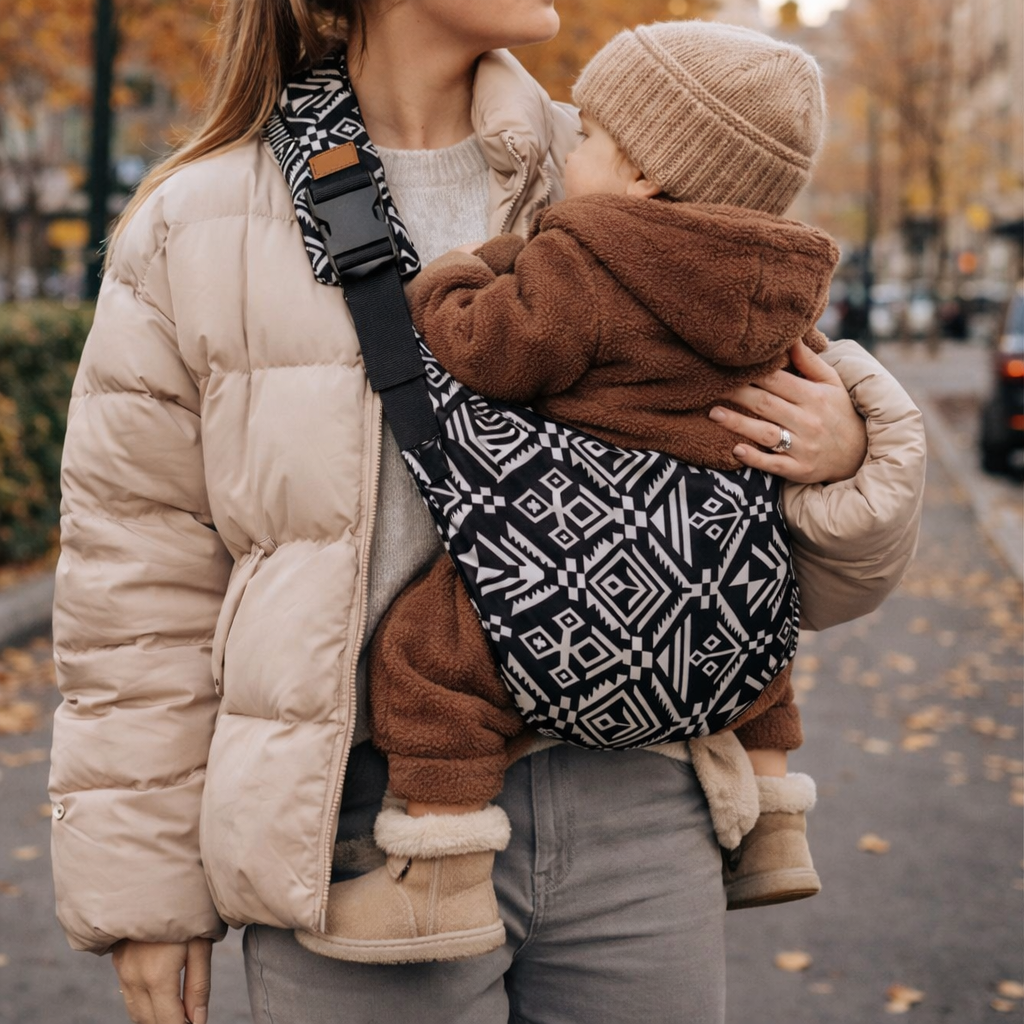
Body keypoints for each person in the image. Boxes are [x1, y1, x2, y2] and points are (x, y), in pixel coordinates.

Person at [47, 2, 925, 1023]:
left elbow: (786, 564)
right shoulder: (194, 223)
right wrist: (145, 891)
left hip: (641, 804)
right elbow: (135, 584)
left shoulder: (634, 154)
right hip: (357, 830)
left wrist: (845, 459)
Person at [300, 20, 845, 967]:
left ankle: (439, 871)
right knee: (760, 630)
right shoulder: (784, 284)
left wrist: (455, 279)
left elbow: (493, 350)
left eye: (591, 138)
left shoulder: (590, 258)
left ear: (642, 175)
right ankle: (773, 821)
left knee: (429, 657)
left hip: (573, 556)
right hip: (709, 556)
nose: (574, 154)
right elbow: (819, 383)